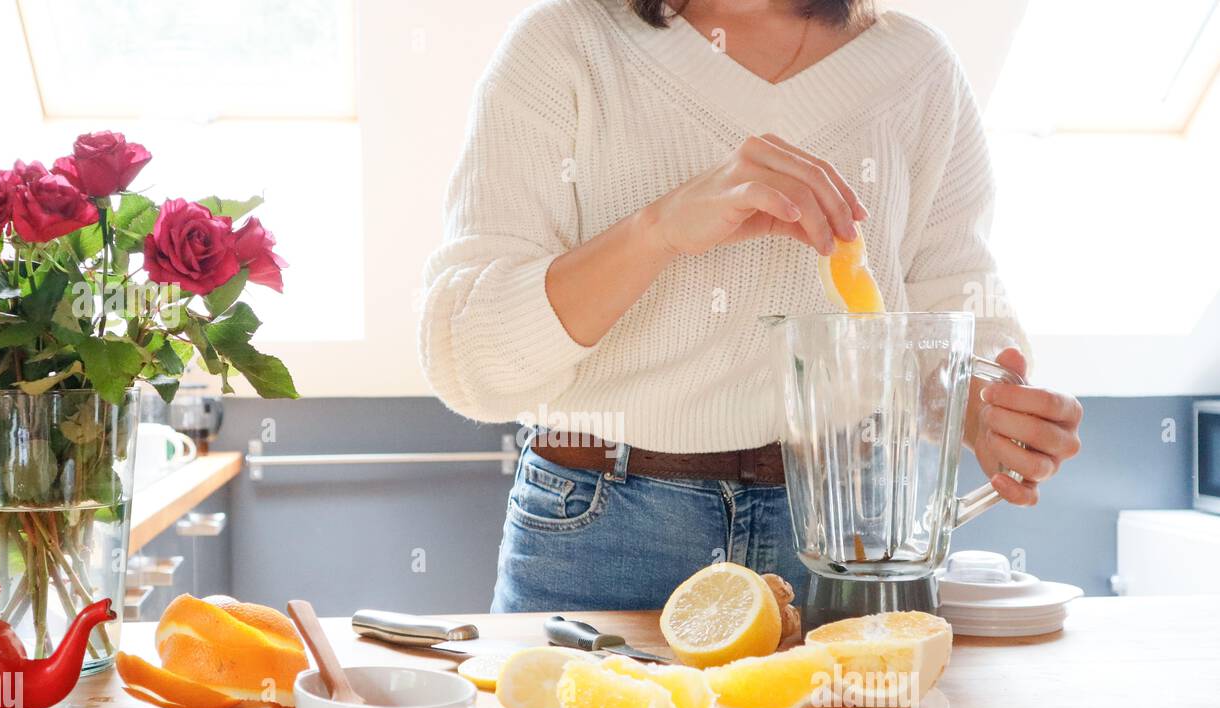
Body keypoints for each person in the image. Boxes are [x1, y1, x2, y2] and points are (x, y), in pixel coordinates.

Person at [420, 0, 1083, 611]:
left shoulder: (917, 68)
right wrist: (658, 230)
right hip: (604, 533)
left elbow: (950, 306)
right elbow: (472, 365)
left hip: (848, 534)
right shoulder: (564, 42)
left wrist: (989, 411)